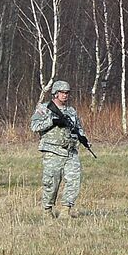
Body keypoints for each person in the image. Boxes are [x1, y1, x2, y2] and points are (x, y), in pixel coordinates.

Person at [30, 79, 84, 218]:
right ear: (55, 93)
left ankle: (66, 209)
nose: (65, 95)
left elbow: (78, 128)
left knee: (74, 181)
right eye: (62, 92)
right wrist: (52, 121)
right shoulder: (44, 108)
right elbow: (34, 126)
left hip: (70, 151)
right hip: (53, 151)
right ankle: (47, 210)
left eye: (67, 93)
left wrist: (83, 138)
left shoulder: (71, 111)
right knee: (51, 183)